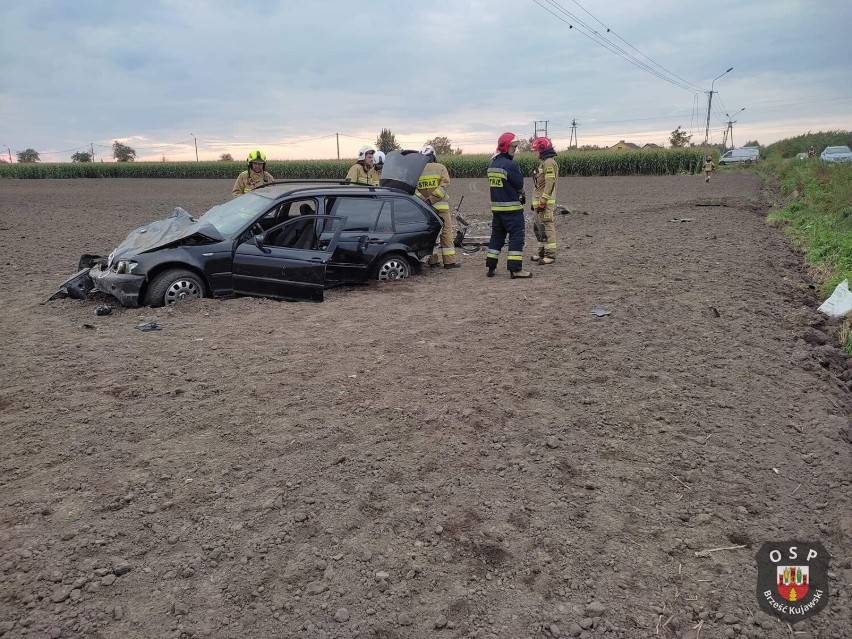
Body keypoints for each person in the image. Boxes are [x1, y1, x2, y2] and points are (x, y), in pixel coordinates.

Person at [486, 132, 531, 279]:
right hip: (512, 210)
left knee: (496, 237)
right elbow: (519, 184)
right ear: (505, 146)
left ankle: (491, 267)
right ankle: (515, 270)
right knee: (516, 237)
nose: (515, 149)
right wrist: (522, 194)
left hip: (497, 210)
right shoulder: (509, 165)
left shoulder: (493, 164)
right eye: (513, 147)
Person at [415, 145, 457, 269]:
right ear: (433, 155)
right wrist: (433, 198)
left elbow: (414, 190)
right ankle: (449, 262)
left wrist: (425, 201)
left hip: (426, 209)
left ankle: (433, 261)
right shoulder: (441, 168)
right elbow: (444, 186)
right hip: (441, 208)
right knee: (446, 233)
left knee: (431, 234)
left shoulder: (417, 171)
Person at [530, 137, 558, 264]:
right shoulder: (544, 162)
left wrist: (542, 201)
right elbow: (539, 185)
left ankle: (550, 255)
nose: (536, 152)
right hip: (538, 201)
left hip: (544, 203)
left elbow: (549, 183)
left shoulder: (549, 163)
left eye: (537, 150)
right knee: (538, 227)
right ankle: (541, 253)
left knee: (547, 226)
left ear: (542, 149)